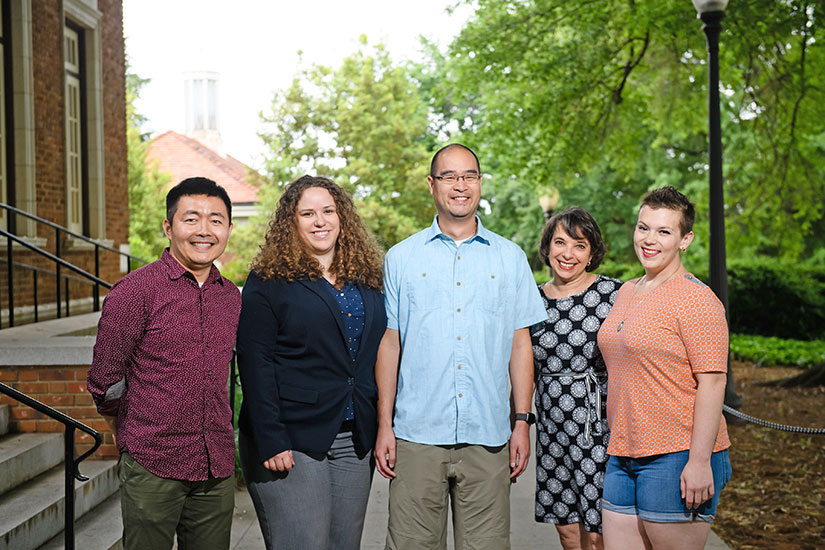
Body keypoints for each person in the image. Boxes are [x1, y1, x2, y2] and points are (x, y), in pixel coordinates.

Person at [374, 143, 548, 550]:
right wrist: (385, 424)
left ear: (480, 183)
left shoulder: (509, 257)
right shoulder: (401, 258)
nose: (460, 185)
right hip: (416, 436)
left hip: (488, 436)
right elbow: (390, 344)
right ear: (432, 185)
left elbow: (520, 344)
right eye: (449, 176)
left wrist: (521, 421)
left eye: (469, 175)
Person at [87, 177, 239, 550]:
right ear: (168, 227)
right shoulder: (135, 292)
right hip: (153, 462)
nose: (204, 230)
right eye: (192, 219)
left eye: (216, 220)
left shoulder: (231, 297)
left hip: (215, 464)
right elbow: (104, 381)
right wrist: (132, 435)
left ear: (229, 230)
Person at [236, 175, 387, 550]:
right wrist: (271, 439)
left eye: (328, 211)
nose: (320, 221)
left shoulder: (367, 278)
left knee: (343, 545)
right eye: (307, 213)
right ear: (292, 222)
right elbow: (256, 364)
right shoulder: (268, 281)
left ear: (342, 218)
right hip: (292, 437)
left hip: (354, 438)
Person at [597, 186, 731, 550]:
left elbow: (714, 382)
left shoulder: (697, 300)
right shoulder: (626, 291)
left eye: (663, 231)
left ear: (685, 239)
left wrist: (700, 461)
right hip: (623, 453)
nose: (649, 240)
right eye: (644, 228)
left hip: (677, 454)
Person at [531, 207, 621, 550]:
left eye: (579, 245)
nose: (567, 254)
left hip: (599, 429)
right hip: (552, 430)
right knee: (567, 530)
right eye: (560, 242)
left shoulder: (615, 295)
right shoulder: (532, 300)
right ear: (547, 247)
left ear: (592, 253)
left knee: (598, 533)